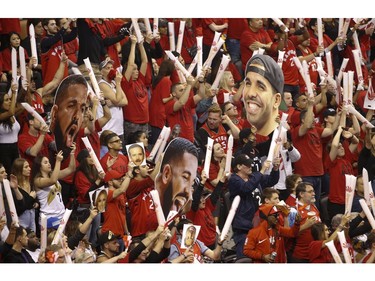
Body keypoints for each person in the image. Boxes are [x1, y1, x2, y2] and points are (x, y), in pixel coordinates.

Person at [227, 153, 279, 259]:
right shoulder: (234, 180)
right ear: (239, 167)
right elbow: (246, 188)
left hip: (259, 224)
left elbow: (272, 180)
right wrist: (261, 171)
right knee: (246, 259)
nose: (250, 166)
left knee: (261, 256)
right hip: (244, 227)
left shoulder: (253, 177)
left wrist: (275, 169)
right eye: (247, 165)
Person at [49, 74, 88, 205]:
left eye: (82, 109)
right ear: (54, 113)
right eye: (71, 106)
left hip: (72, 183)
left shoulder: (76, 137)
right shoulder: (46, 143)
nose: (77, 116)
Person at [238, 54, 283, 139]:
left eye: (261, 87)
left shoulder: (281, 144)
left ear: (276, 100)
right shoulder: (246, 130)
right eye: (248, 83)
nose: (251, 93)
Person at [31, 144, 76, 228]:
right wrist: (58, 161)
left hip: (61, 215)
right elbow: (52, 181)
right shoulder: (37, 180)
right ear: (39, 166)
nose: (49, 164)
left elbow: (71, 169)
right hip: (48, 218)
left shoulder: (52, 174)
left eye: (48, 162)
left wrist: (72, 154)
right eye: (45, 162)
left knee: (62, 241)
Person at [154, 137, 199, 219]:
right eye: (185, 177)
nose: (189, 193)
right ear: (166, 173)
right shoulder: (144, 201)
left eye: (192, 183)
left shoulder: (174, 210)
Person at [98, 57, 128, 143]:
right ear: (101, 72)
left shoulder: (114, 83)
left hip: (118, 128)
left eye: (112, 68)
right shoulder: (102, 84)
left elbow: (125, 101)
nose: (111, 70)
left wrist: (114, 103)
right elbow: (117, 99)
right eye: (108, 68)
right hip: (108, 128)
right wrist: (118, 83)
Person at [10, 158, 38, 232]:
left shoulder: (30, 182)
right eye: (26, 167)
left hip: (32, 216)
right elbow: (20, 208)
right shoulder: (14, 188)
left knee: (33, 239)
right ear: (19, 170)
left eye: (29, 166)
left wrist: (36, 203)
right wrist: (31, 198)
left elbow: (34, 199)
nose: (29, 168)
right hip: (21, 219)